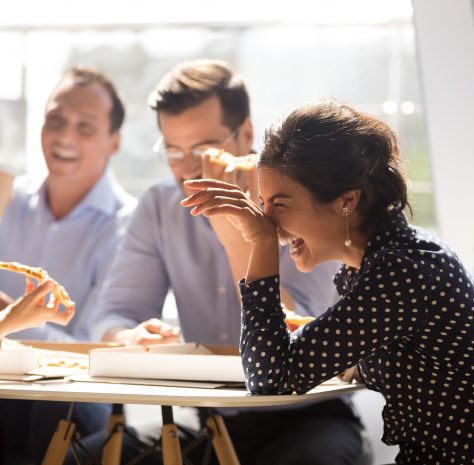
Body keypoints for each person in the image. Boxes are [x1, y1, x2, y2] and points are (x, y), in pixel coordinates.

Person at [181, 100, 474, 464]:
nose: (267, 221)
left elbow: (270, 377)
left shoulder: (402, 272)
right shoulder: (388, 263)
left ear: (346, 201)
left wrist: (258, 244)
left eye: (280, 203)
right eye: (262, 203)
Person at [78, 60, 367, 465]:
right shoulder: (160, 205)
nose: (188, 168)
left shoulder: (300, 199)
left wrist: (237, 238)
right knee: (88, 456)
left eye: (203, 149)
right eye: (173, 150)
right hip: (211, 421)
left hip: (306, 415)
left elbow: (304, 333)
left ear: (246, 134)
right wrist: (126, 337)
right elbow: (112, 312)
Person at [0, 66, 136, 464]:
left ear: (114, 142)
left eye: (84, 127)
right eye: (55, 121)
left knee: (57, 409)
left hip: (75, 387)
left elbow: (99, 338)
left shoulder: (126, 223)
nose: (64, 137)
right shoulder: (8, 199)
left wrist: (20, 322)